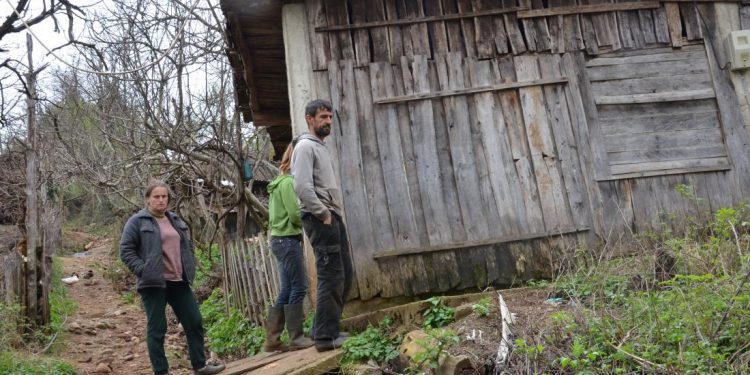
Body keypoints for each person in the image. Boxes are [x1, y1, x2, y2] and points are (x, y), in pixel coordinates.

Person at [120, 180, 225, 375]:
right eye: (156, 197)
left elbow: (187, 245)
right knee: (157, 328)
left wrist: (190, 263)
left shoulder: (175, 219)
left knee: (194, 320)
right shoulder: (138, 221)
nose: (161, 200)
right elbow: (126, 251)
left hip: (179, 281)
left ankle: (200, 366)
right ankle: (161, 371)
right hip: (153, 284)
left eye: (164, 196)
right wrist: (143, 270)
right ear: (148, 199)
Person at [291, 99, 354, 352]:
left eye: (330, 117)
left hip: (331, 217)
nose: (328, 121)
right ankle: (326, 339)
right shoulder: (306, 147)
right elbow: (302, 186)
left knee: (345, 273)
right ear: (309, 119)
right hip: (320, 219)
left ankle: (324, 329)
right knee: (331, 275)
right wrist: (323, 213)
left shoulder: (320, 147)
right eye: (323, 117)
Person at [263, 143, 315, 352]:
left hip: (279, 240)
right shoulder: (287, 183)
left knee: (286, 288)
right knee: (300, 286)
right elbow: (294, 214)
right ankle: (296, 337)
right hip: (287, 240)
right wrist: (310, 221)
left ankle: (273, 340)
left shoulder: (278, 182)